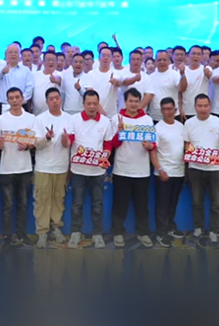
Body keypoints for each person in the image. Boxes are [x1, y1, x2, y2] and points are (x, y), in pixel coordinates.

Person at [66, 90, 115, 249]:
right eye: (89, 104)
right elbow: (69, 140)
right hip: (78, 170)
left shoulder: (105, 122)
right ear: (83, 104)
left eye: (95, 103)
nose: (92, 107)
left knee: (97, 205)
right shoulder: (74, 119)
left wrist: (105, 156)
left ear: (98, 104)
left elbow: (108, 143)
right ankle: (75, 232)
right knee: (77, 204)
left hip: (98, 172)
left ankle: (97, 234)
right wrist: (65, 140)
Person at [110, 88, 155, 248]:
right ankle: (117, 232)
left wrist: (150, 146)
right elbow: (112, 144)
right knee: (120, 205)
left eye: (136, 101)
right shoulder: (117, 119)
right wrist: (120, 133)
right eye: (131, 101)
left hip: (142, 171)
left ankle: (143, 233)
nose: (134, 104)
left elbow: (153, 144)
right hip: (122, 169)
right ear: (125, 102)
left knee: (142, 206)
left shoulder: (147, 120)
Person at [0, 87, 37, 245]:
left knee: (23, 204)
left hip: (25, 168)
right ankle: (7, 236)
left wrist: (28, 146)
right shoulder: (1, 119)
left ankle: (21, 234)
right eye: (11, 98)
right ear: (7, 100)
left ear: (22, 99)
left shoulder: (31, 118)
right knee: (7, 205)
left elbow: (34, 142)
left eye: (17, 97)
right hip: (6, 168)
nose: (14, 100)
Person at [33, 87, 73, 248]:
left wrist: (65, 140)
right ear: (47, 102)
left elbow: (69, 144)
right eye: (51, 99)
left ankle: (56, 228)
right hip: (43, 167)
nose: (55, 101)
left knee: (58, 199)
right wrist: (47, 138)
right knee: (42, 200)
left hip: (61, 167)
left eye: (57, 98)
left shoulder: (69, 119)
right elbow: (36, 143)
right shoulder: (39, 119)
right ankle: (42, 232)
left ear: (61, 99)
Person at [184, 94, 219, 245]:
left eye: (205, 106)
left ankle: (214, 230)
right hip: (195, 168)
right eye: (199, 106)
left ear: (210, 106)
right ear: (195, 107)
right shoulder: (189, 123)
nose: (203, 109)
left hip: (215, 168)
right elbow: (187, 144)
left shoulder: (218, 122)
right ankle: (198, 228)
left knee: (216, 202)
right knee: (196, 201)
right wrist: (193, 154)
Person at [152, 97, 186, 247]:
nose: (168, 112)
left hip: (179, 172)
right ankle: (161, 233)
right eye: (165, 109)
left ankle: (170, 228)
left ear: (175, 110)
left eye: (170, 109)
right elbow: (153, 152)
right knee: (162, 205)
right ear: (161, 111)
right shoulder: (157, 128)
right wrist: (159, 169)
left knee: (173, 204)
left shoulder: (181, 127)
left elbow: (187, 148)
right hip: (164, 173)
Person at [77, 46, 120, 117]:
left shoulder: (116, 73)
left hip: (112, 115)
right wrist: (100, 111)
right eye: (103, 55)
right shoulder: (91, 74)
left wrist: (115, 82)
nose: (106, 58)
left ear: (112, 59)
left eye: (108, 56)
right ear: (99, 58)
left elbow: (119, 82)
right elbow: (90, 92)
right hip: (94, 113)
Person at [142, 50, 183, 121]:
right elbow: (149, 95)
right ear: (155, 62)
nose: (162, 62)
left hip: (173, 116)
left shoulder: (175, 75)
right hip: (155, 116)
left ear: (169, 61)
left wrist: (183, 75)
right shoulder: (150, 77)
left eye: (164, 60)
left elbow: (182, 89)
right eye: (159, 60)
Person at [180, 46, 213, 121]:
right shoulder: (183, 70)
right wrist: (181, 109)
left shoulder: (206, 69)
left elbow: (210, 75)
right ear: (188, 55)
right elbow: (181, 91)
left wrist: (208, 74)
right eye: (193, 53)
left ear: (202, 56)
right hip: (187, 110)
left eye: (198, 54)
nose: (196, 56)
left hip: (202, 110)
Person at [31, 51, 62, 116]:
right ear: (43, 62)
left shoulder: (60, 74)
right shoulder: (35, 75)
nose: (51, 62)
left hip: (55, 115)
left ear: (56, 62)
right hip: (37, 114)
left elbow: (59, 79)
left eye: (53, 60)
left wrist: (55, 80)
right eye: (48, 60)